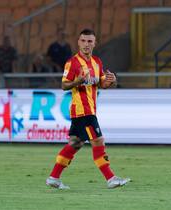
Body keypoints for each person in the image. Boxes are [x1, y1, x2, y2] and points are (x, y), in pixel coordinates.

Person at [46, 29, 130, 189]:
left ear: (94, 43)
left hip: (90, 109)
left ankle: (54, 177)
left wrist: (112, 81)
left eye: (89, 41)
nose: (86, 44)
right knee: (98, 141)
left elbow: (101, 84)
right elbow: (64, 85)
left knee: (75, 143)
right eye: (83, 41)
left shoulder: (97, 62)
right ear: (78, 42)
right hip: (82, 110)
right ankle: (111, 178)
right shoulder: (72, 63)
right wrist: (77, 81)